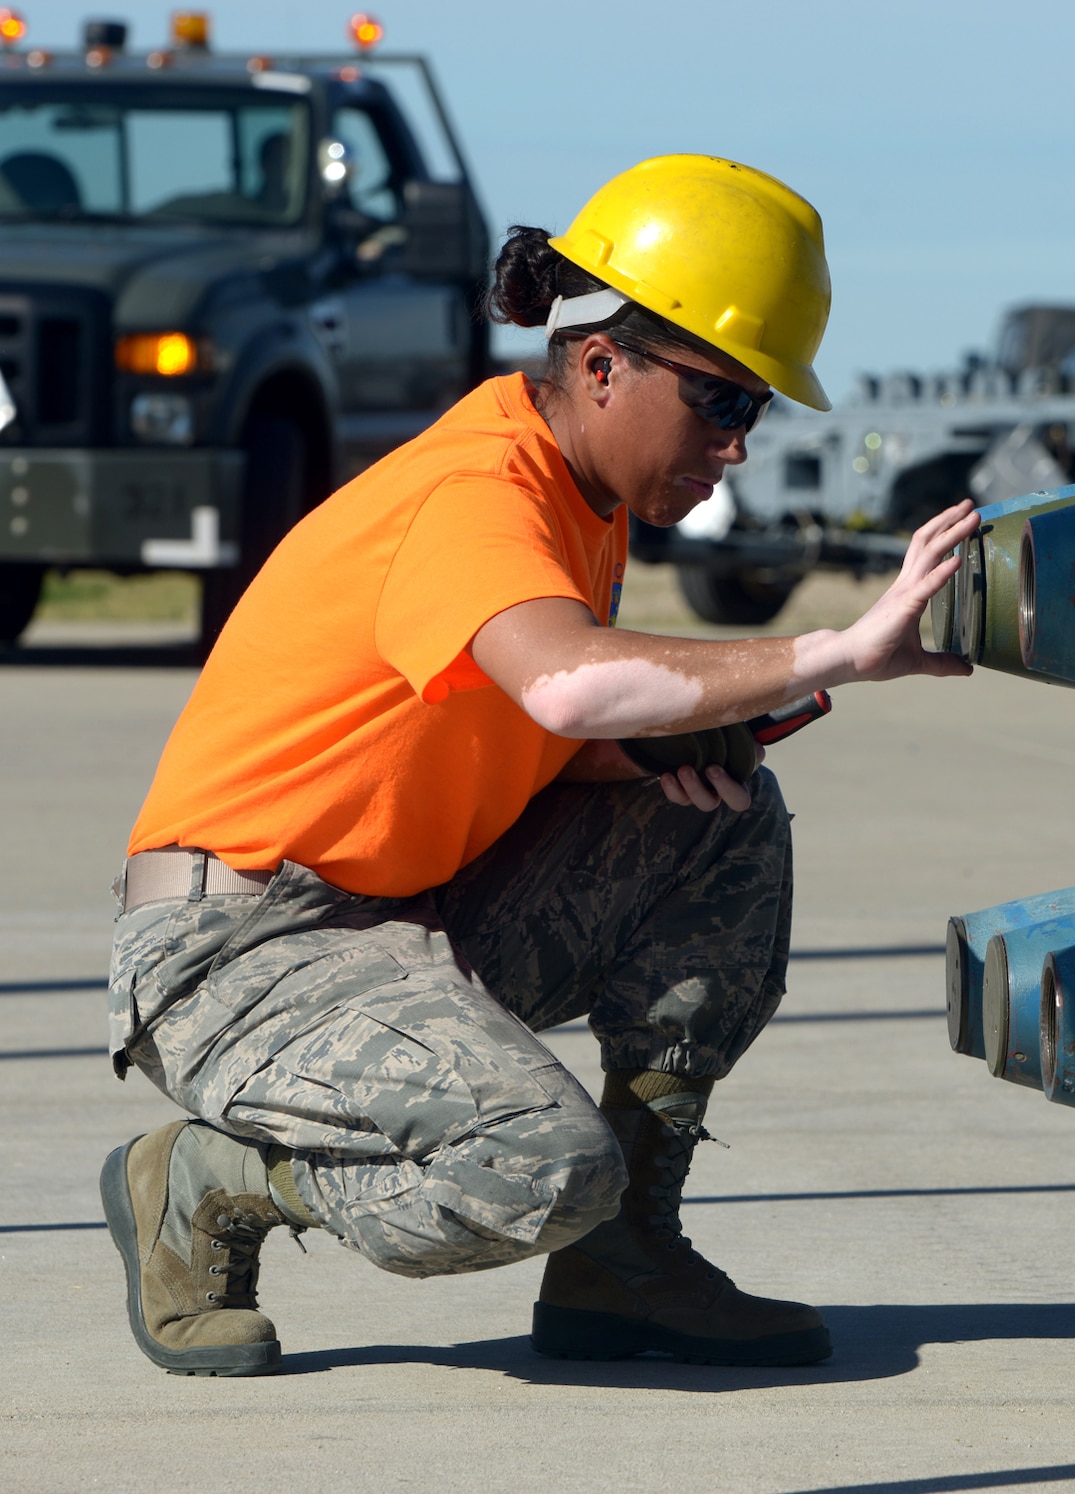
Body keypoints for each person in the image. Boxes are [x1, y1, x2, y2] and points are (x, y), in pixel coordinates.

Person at [98, 154, 980, 1377]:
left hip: (393, 913)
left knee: (722, 818)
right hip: (238, 951)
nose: (736, 447)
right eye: (722, 401)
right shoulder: (477, 491)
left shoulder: (586, 502)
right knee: (537, 1164)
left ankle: (625, 1260)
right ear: (604, 364)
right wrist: (832, 645)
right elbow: (568, 681)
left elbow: (541, 733)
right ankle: (210, 1180)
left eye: (756, 412)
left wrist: (676, 741)